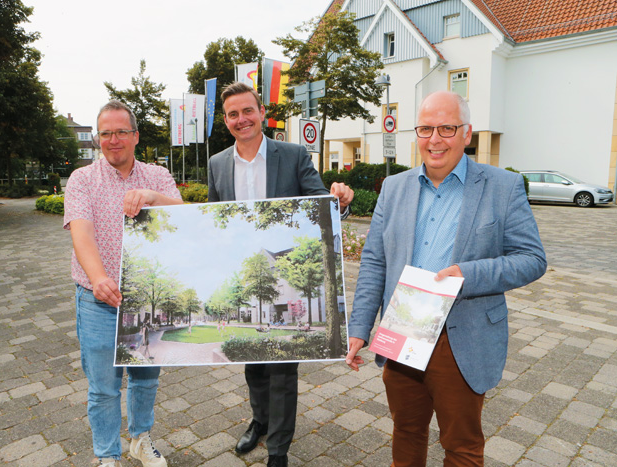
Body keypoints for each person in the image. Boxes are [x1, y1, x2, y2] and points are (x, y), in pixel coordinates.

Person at [345, 91, 547, 466]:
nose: (434, 139)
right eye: (425, 128)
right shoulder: (394, 187)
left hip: (462, 339)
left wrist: (468, 274)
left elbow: (532, 259)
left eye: (446, 128)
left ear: (466, 133)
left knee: (463, 447)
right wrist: (359, 329)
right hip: (402, 332)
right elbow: (374, 261)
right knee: (406, 431)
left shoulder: (502, 187)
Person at [208, 82, 354, 467]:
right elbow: (214, 221)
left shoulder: (292, 155)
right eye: (233, 114)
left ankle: (279, 450)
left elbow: (321, 204)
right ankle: (259, 421)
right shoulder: (217, 163)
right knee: (253, 360)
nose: (242, 119)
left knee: (283, 366)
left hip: (285, 265)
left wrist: (339, 196)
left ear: (261, 112)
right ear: (226, 121)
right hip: (248, 272)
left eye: (248, 111)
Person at [64, 100, 183, 467]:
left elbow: (184, 217)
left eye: (120, 132)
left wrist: (152, 199)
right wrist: (99, 278)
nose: (112, 140)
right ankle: (107, 457)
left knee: (145, 379)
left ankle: (140, 439)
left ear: (135, 136)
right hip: (98, 300)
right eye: (105, 133)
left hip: (146, 300)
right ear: (98, 137)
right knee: (103, 388)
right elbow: (81, 234)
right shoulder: (82, 179)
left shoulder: (158, 175)